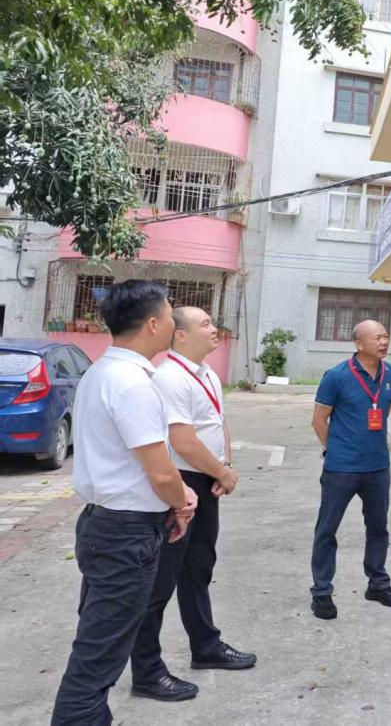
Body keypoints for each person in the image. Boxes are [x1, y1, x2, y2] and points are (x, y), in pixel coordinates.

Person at [52, 281, 199, 725]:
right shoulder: (133, 384)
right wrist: (181, 499)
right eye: (170, 314)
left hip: (104, 524)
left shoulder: (102, 372)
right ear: (153, 324)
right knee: (99, 652)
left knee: (100, 637)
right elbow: (160, 472)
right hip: (125, 535)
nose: (174, 322)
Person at [129, 306, 256, 702]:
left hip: (207, 478)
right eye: (205, 324)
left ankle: (206, 646)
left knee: (198, 568)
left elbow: (217, 423)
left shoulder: (207, 374)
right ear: (180, 335)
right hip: (180, 486)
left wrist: (223, 467)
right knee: (161, 580)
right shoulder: (170, 377)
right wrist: (220, 472)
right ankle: (147, 671)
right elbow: (182, 441)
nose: (214, 329)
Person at [309, 319, 391, 619]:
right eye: (377, 338)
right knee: (327, 529)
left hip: (377, 467)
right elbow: (319, 421)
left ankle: (378, 583)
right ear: (359, 344)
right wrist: (334, 449)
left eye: (386, 336)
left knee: (378, 527)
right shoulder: (336, 376)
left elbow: (383, 412)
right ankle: (322, 591)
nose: (384, 342)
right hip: (341, 469)